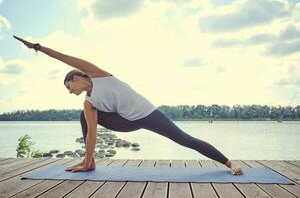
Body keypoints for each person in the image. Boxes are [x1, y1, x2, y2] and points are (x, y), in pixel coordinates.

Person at [14, 35, 242, 175]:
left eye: (69, 87)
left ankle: (229, 163)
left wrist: (37, 47)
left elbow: (64, 57)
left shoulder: (97, 74)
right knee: (85, 118)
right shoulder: (89, 103)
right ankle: (89, 163)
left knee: (185, 140)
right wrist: (86, 159)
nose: (70, 92)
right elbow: (92, 133)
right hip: (125, 122)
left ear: (75, 78)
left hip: (148, 114)